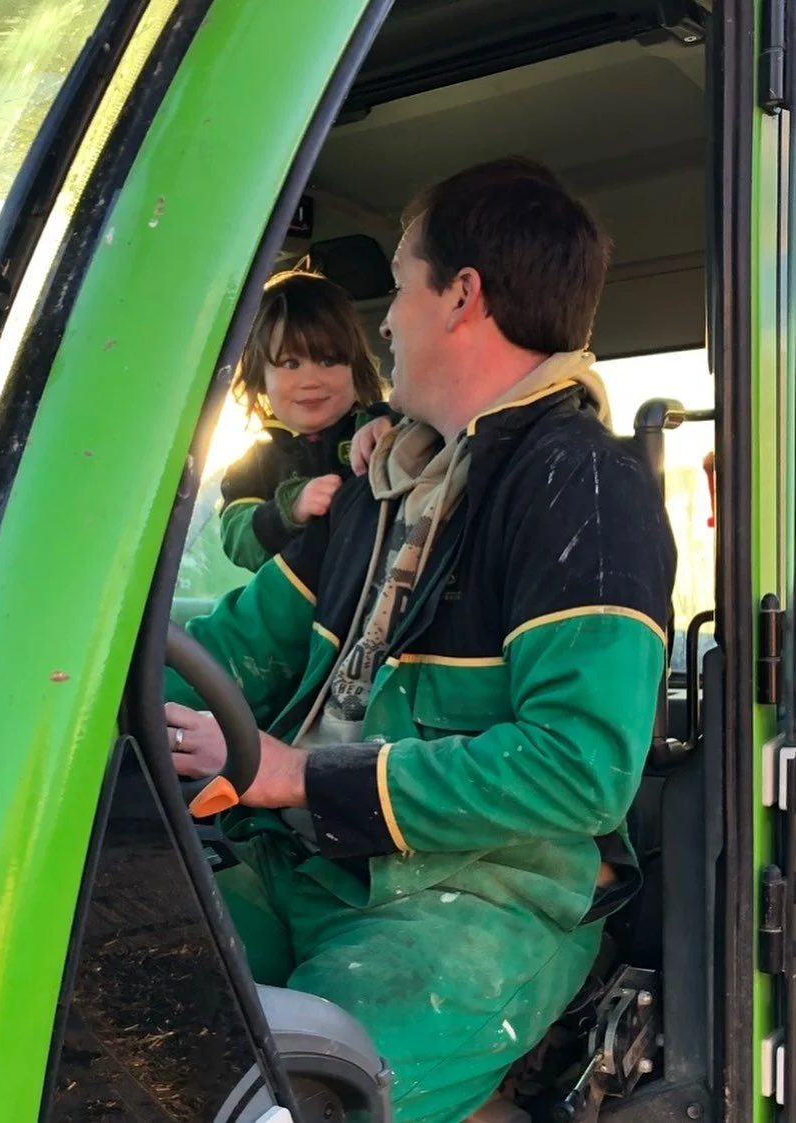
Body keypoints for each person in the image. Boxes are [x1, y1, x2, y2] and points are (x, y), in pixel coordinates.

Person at [164, 157, 676, 1123]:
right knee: (101, 993)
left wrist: (306, 777)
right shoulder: (382, 481)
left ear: (461, 296)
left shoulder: (582, 489)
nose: (385, 321)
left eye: (398, 286)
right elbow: (236, 645)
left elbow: (579, 769)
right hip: (303, 862)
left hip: (477, 902)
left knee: (292, 1103)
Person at [218, 269, 391, 571]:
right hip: (295, 603)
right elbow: (236, 537)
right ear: (260, 378)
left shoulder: (376, 427)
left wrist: (391, 430)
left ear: (355, 368)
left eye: (328, 360)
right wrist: (288, 510)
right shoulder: (255, 464)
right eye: (291, 363)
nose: (310, 380)